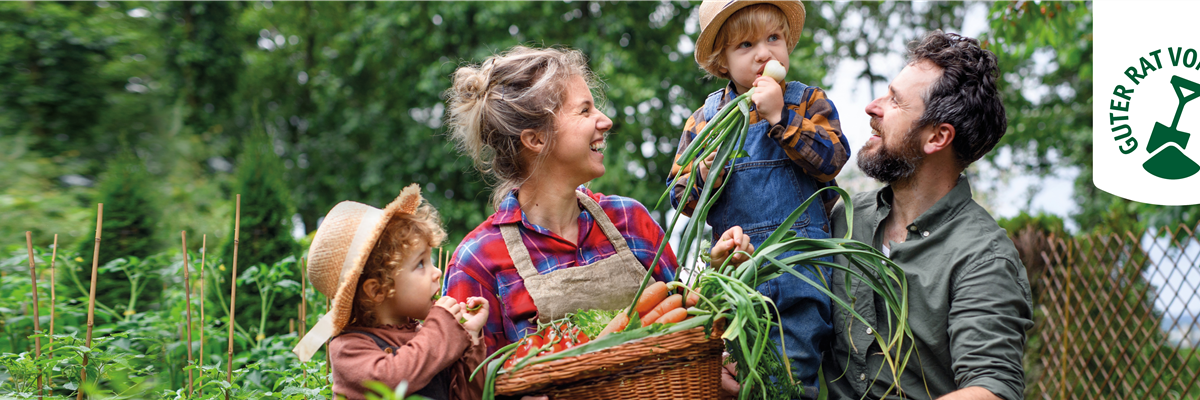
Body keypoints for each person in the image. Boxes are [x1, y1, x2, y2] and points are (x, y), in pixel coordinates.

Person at [442, 46, 754, 359]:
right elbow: (473, 384)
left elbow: (691, 330)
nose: (605, 121)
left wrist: (719, 273)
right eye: (585, 110)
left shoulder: (630, 220)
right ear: (536, 139)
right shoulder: (478, 260)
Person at [822, 30, 1034, 400]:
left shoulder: (983, 257)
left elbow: (990, 390)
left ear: (937, 137)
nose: (873, 107)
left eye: (895, 101)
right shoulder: (843, 218)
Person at [669, 0, 851, 396]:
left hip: (801, 270)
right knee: (736, 374)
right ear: (722, 63)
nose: (764, 53)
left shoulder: (806, 101)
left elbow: (833, 158)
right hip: (737, 273)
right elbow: (680, 197)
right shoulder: (705, 119)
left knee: (790, 375)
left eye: (773, 38)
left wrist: (780, 119)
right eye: (746, 45)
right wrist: (705, 173)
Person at [292, 184, 487, 400]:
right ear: (378, 290)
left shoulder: (428, 336)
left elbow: (467, 396)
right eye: (421, 264)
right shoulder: (348, 348)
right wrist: (441, 326)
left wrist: (471, 337)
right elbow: (393, 379)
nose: (437, 272)